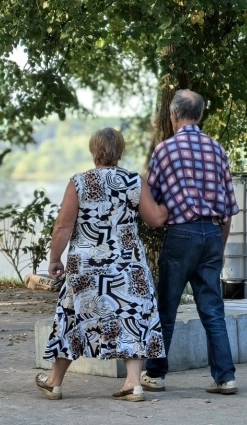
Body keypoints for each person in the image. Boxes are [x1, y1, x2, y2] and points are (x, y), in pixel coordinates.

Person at [35, 128, 168, 402]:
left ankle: (54, 382)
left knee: (71, 318)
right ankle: (133, 383)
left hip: (87, 266)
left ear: (93, 151)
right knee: (131, 316)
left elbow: (63, 225)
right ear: (120, 151)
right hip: (127, 266)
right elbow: (155, 219)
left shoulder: (79, 182)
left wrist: (54, 258)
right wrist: (170, 206)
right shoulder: (133, 181)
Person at [141, 89, 240, 395]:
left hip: (181, 235)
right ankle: (225, 377)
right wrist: (218, 248)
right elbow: (228, 209)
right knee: (213, 309)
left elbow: (153, 202)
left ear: (174, 115)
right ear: (200, 115)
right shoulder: (217, 149)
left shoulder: (164, 150)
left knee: (167, 307)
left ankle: (156, 374)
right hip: (212, 233)